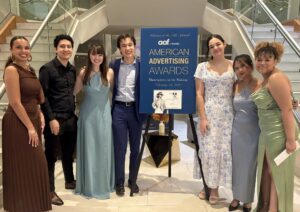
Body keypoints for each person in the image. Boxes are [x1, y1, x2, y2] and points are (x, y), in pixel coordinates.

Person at [2, 36, 52, 211]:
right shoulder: (11, 70)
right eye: (19, 47)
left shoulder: (30, 70)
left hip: (33, 118)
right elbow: (15, 102)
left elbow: (36, 98)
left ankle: (32, 204)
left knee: (34, 165)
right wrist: (30, 127)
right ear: (11, 50)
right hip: (18, 122)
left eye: (26, 47)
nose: (23, 51)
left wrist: (40, 115)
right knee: (28, 163)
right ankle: (20, 205)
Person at [251, 42, 299, 212]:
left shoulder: (276, 78)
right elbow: (287, 103)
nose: (262, 62)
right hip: (267, 132)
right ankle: (267, 206)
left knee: (276, 174)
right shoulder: (267, 79)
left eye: (267, 59)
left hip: (279, 132)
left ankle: (274, 209)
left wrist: (291, 140)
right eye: (259, 59)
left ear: (276, 60)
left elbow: (286, 111)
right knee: (268, 172)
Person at [194, 34, 235, 204]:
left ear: (224, 44)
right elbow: (199, 93)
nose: (215, 48)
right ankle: (207, 185)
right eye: (212, 46)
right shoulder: (202, 67)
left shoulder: (234, 66)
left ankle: (215, 188)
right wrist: (202, 118)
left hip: (227, 115)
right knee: (208, 150)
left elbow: (242, 88)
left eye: (218, 44)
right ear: (209, 50)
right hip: (209, 113)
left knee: (222, 149)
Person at [39, 34, 77, 206]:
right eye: (62, 46)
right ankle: (49, 191)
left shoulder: (72, 69)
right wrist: (51, 119)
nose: (66, 49)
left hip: (70, 118)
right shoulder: (46, 69)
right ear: (56, 48)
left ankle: (69, 180)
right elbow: (43, 97)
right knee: (51, 156)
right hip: (54, 120)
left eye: (69, 46)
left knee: (69, 153)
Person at [74, 44, 115, 199]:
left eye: (100, 55)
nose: (96, 58)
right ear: (89, 56)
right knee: (89, 148)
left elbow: (115, 93)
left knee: (104, 148)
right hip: (87, 117)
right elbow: (74, 91)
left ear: (103, 57)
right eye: (93, 54)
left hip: (104, 115)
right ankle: (89, 185)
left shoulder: (109, 72)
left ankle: (104, 183)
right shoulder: (83, 72)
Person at [110, 33, 144, 196]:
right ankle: (119, 182)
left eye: (130, 45)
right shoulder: (113, 65)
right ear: (119, 49)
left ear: (135, 46)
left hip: (136, 111)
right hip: (118, 110)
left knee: (135, 149)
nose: (127, 48)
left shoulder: (142, 66)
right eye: (123, 45)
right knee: (120, 148)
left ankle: (133, 180)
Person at [229, 54, 260, 212]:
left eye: (243, 66)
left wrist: (293, 103)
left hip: (254, 131)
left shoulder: (259, 84)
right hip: (237, 131)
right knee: (236, 165)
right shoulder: (234, 85)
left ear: (250, 66)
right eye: (236, 68)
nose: (240, 70)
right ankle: (235, 197)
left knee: (249, 166)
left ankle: (247, 200)